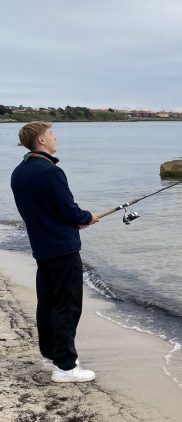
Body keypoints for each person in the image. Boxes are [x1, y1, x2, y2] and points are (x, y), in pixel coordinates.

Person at [10, 122, 99, 383]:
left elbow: (43, 209)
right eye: (50, 134)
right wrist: (86, 217)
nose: (54, 137)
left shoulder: (19, 172)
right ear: (40, 140)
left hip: (42, 247)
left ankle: (50, 356)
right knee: (67, 306)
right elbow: (68, 209)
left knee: (48, 303)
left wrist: (74, 218)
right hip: (62, 248)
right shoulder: (51, 172)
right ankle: (66, 367)